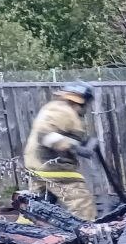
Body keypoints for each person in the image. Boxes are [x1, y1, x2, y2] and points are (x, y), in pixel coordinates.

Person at [23, 82, 98, 221]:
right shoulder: (64, 111)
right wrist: (77, 147)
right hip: (56, 169)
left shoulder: (53, 108)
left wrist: (81, 142)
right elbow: (45, 135)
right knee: (83, 206)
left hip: (37, 168)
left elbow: (61, 134)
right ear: (81, 100)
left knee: (35, 208)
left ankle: (21, 233)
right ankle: (89, 237)